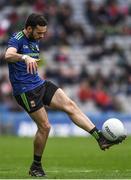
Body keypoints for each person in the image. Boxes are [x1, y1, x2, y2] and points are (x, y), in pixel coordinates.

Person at [5, 13, 126, 177]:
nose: (42, 36)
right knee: (45, 127)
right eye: (39, 33)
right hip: (25, 91)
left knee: (70, 105)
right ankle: (36, 166)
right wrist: (24, 57)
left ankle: (100, 138)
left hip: (39, 83)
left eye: (44, 33)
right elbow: (8, 55)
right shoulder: (18, 38)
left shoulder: (35, 39)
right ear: (28, 28)